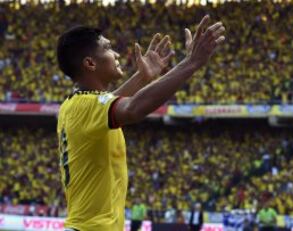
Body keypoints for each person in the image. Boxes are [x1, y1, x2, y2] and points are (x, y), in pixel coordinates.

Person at [56, 15, 225, 231]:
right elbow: (134, 108)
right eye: (108, 48)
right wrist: (191, 63)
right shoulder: (87, 106)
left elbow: (111, 102)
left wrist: (142, 78)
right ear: (90, 63)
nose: (116, 54)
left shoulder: (73, 106)